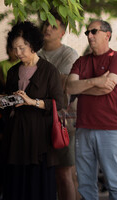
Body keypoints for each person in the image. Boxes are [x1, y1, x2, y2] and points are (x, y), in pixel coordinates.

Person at [0, 21, 64, 200]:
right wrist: (4, 102)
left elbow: (59, 103)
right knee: (15, 185)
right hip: (16, 135)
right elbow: (10, 101)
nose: (17, 53)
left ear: (33, 45)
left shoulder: (49, 70)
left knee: (38, 186)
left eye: (21, 48)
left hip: (39, 137)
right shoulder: (12, 71)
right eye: (14, 48)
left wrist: (32, 102)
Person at [67, 19, 117, 200]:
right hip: (83, 128)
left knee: (114, 183)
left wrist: (82, 86)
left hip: (110, 129)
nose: (89, 35)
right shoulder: (81, 61)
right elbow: (69, 88)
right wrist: (95, 81)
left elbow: (108, 87)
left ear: (107, 35)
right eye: (87, 33)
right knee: (85, 184)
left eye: (94, 31)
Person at [38, 15, 80, 200]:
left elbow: (61, 86)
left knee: (65, 173)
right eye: (46, 24)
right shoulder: (35, 54)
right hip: (40, 121)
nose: (48, 28)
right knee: (49, 174)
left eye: (53, 26)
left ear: (62, 32)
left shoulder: (69, 54)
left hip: (64, 122)